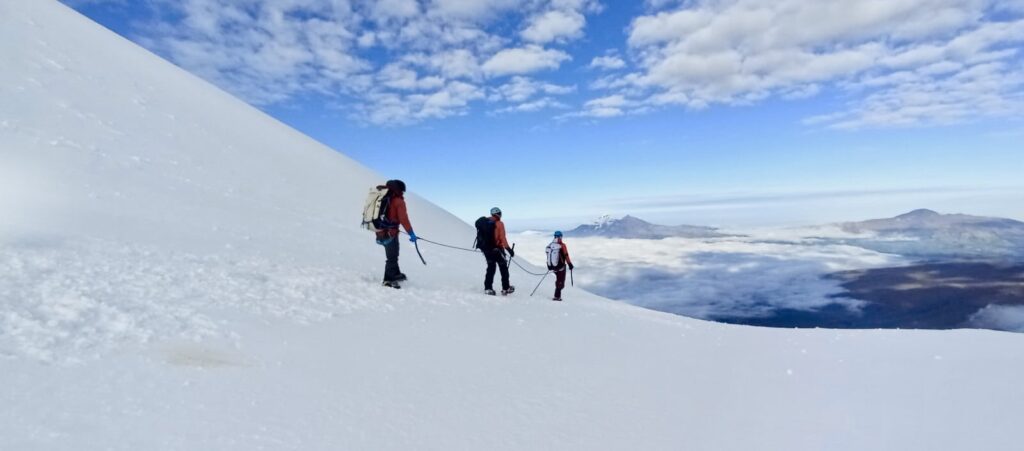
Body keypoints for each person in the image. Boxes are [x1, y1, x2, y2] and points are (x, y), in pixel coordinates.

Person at [376, 179, 416, 289]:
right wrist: (411, 233)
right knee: (392, 257)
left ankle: (396, 274)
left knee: (393, 254)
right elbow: (403, 219)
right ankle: (388, 280)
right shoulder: (398, 201)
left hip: (380, 230)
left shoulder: (381, 197)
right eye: (402, 191)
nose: (403, 193)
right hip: (390, 232)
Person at [478, 207, 515, 296]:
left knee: (491, 267)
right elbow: (502, 238)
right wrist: (509, 249)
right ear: (499, 214)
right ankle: (506, 288)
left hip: (486, 249)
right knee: (503, 268)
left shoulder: (485, 222)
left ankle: (488, 288)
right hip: (497, 249)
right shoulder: (499, 223)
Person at [547, 231, 574, 301]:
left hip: (553, 267)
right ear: (560, 237)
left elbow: (548, 256)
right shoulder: (562, 245)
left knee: (558, 280)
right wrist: (570, 264)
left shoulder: (550, 245)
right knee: (561, 281)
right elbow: (566, 255)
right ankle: (557, 296)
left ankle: (557, 294)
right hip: (561, 267)